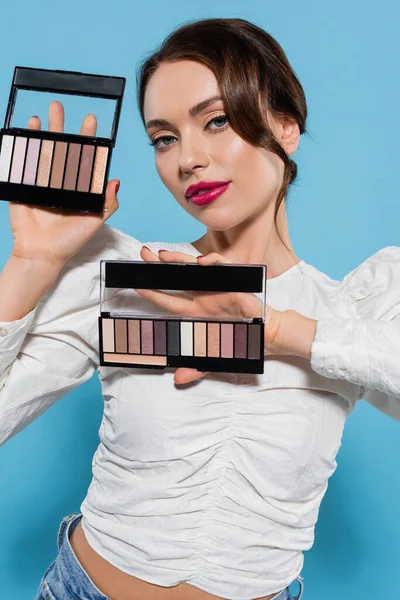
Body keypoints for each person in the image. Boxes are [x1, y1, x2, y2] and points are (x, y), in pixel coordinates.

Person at [0, 16, 399, 600]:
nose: (188, 159)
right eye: (164, 138)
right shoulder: (126, 277)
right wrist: (31, 262)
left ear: (286, 127)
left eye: (216, 121)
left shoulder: (356, 306)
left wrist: (280, 332)